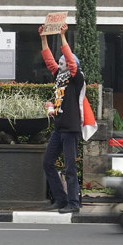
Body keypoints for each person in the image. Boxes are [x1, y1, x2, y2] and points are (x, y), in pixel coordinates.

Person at [39, 23, 85, 214]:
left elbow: (70, 61)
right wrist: (43, 38)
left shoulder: (77, 78)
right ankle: (60, 198)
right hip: (60, 127)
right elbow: (49, 60)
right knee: (47, 162)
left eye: (64, 60)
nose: (61, 62)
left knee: (70, 167)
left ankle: (73, 203)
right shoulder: (60, 76)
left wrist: (63, 36)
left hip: (71, 128)